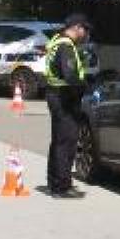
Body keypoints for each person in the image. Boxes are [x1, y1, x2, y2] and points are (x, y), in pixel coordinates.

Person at [43, 13, 92, 198]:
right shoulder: (66, 46)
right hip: (65, 98)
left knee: (58, 141)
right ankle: (62, 186)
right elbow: (70, 75)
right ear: (77, 27)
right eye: (84, 29)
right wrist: (85, 84)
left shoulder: (56, 41)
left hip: (55, 95)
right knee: (67, 142)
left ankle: (54, 182)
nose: (85, 33)